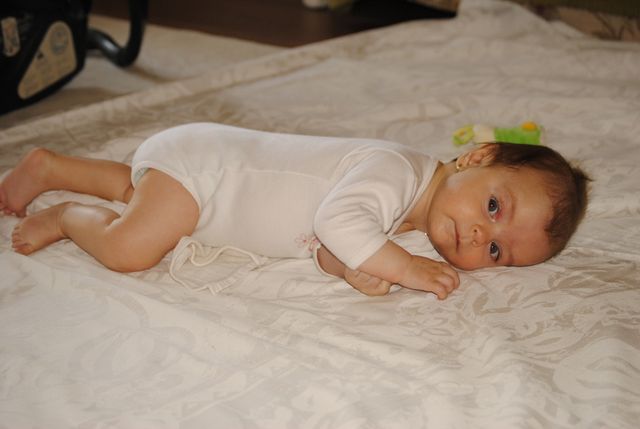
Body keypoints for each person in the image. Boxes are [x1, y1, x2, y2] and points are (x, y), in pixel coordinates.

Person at [0, 122, 589, 299]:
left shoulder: (410, 208)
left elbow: (330, 241)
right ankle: (67, 216)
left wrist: (352, 268)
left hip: (204, 181)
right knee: (131, 247)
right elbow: (338, 222)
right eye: (493, 206)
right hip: (209, 170)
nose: (481, 234)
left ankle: (51, 168)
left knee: (142, 195)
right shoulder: (398, 171)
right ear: (476, 158)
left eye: (497, 251)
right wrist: (401, 267)